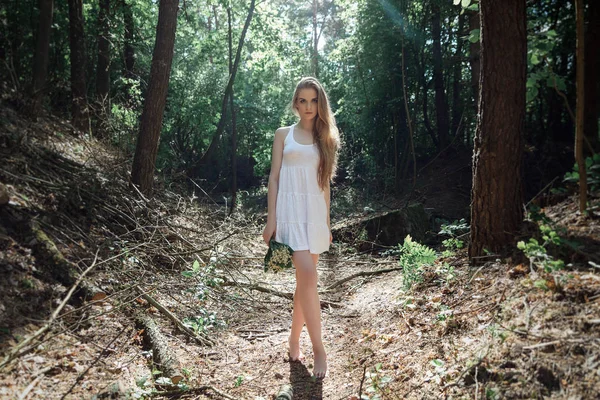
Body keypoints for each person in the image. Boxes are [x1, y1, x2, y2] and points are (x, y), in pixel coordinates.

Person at [262, 77, 340, 379]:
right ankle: (319, 348)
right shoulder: (283, 135)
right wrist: (271, 219)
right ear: (295, 103)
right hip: (289, 214)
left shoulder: (325, 139)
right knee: (308, 276)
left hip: (314, 215)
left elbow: (325, 184)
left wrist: (327, 222)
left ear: (320, 103)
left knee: (303, 285)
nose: (308, 106)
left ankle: (294, 339)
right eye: (303, 100)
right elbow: (274, 178)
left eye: (313, 100)